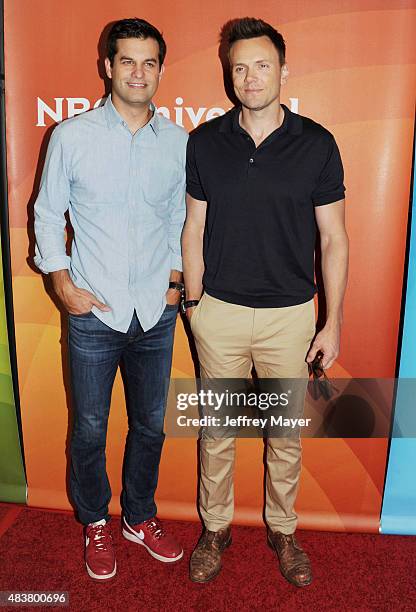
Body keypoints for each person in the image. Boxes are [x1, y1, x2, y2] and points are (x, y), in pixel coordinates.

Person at [182, 17, 348, 587]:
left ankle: (282, 531)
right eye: (239, 68)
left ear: (283, 69)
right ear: (228, 76)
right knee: (217, 434)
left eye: (262, 65)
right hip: (219, 315)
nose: (250, 77)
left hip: (291, 319)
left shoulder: (317, 143)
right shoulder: (205, 142)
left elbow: (334, 238)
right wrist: (195, 302)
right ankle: (216, 529)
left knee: (285, 437)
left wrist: (333, 322)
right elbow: (193, 226)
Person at [34, 18, 187, 580]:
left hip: (155, 312)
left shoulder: (178, 143)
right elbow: (47, 215)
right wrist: (62, 285)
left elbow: (179, 218)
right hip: (93, 314)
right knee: (90, 428)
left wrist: (173, 285)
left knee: (151, 425)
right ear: (108, 66)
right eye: (128, 61)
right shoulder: (71, 137)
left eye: (149, 62)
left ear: (161, 69)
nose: (138, 72)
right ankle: (96, 520)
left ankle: (138, 516)